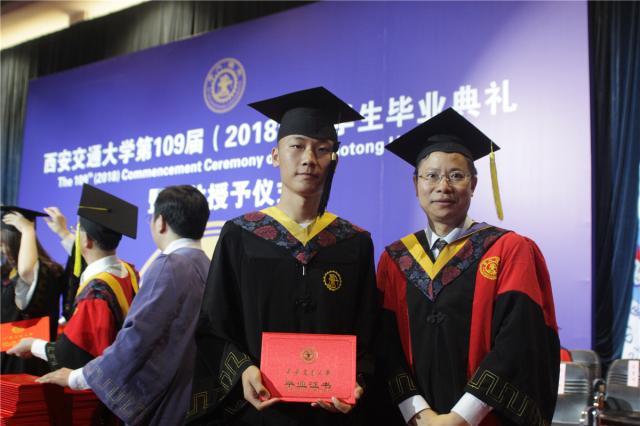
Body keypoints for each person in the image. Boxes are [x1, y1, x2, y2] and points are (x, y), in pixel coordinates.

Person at [188, 87, 380, 425]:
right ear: (275, 155)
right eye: (297, 146)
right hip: (259, 411)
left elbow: (368, 330)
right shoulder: (241, 235)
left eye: (322, 149)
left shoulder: (354, 242)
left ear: (333, 159)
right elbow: (214, 324)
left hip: (330, 414)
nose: (309, 158)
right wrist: (242, 370)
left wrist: (356, 380)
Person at [376, 108, 560, 426]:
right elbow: (385, 344)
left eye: (456, 176)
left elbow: (518, 341)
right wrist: (418, 413)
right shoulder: (395, 259)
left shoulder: (508, 250)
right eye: (431, 175)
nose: (443, 186)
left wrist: (460, 418)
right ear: (416, 184)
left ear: (473, 184)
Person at [37, 185, 211, 426]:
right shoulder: (207, 265)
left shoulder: (169, 266)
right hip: (196, 396)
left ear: (160, 222)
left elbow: (136, 339)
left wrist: (77, 377)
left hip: (169, 402)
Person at [8, 184, 139, 371]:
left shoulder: (95, 294)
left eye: (78, 230)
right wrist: (63, 232)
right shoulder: (127, 272)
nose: (76, 234)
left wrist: (33, 345)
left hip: (97, 380)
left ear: (87, 240)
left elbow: (72, 354)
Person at [1, 206, 63, 375]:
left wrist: (28, 230)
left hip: (27, 360)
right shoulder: (5, 272)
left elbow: (26, 270)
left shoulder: (47, 272)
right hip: (5, 354)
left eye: (4, 243)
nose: (2, 250)